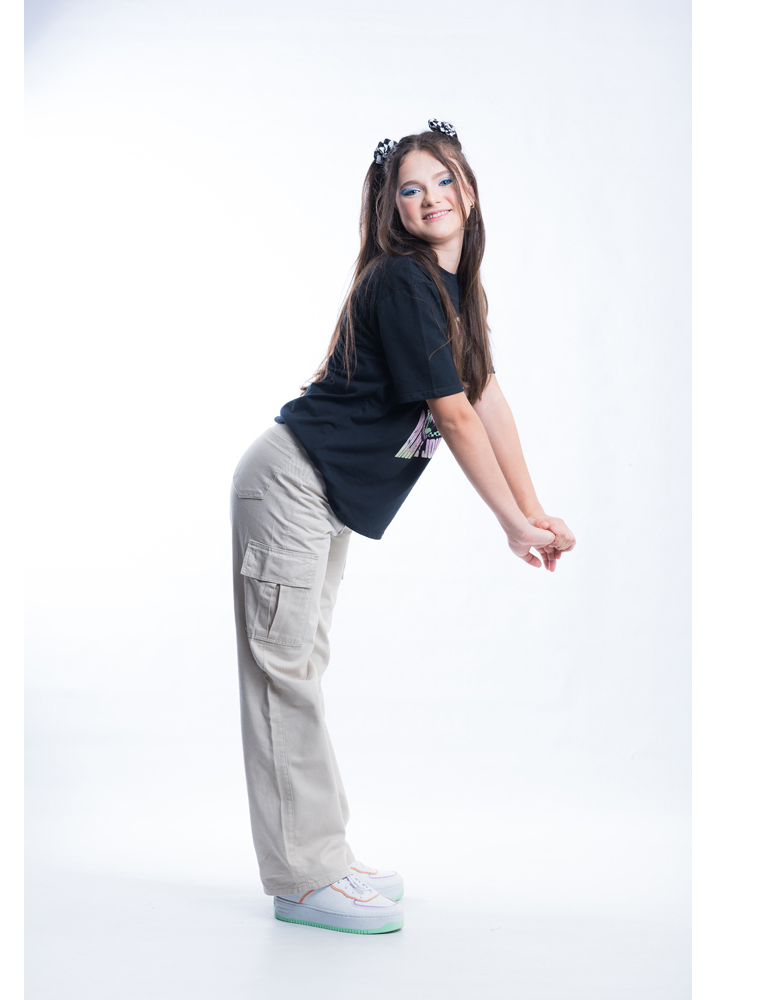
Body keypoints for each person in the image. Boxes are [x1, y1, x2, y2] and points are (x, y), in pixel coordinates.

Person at [230, 119, 576, 935]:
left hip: (323, 495)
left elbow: (486, 397)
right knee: (284, 675)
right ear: (392, 209)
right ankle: (303, 878)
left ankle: (322, 856)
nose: (430, 198)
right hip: (290, 482)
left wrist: (530, 510)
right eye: (410, 189)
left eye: (444, 180)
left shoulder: (457, 292)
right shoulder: (400, 280)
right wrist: (510, 525)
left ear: (471, 191)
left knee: (300, 666)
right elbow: (453, 416)